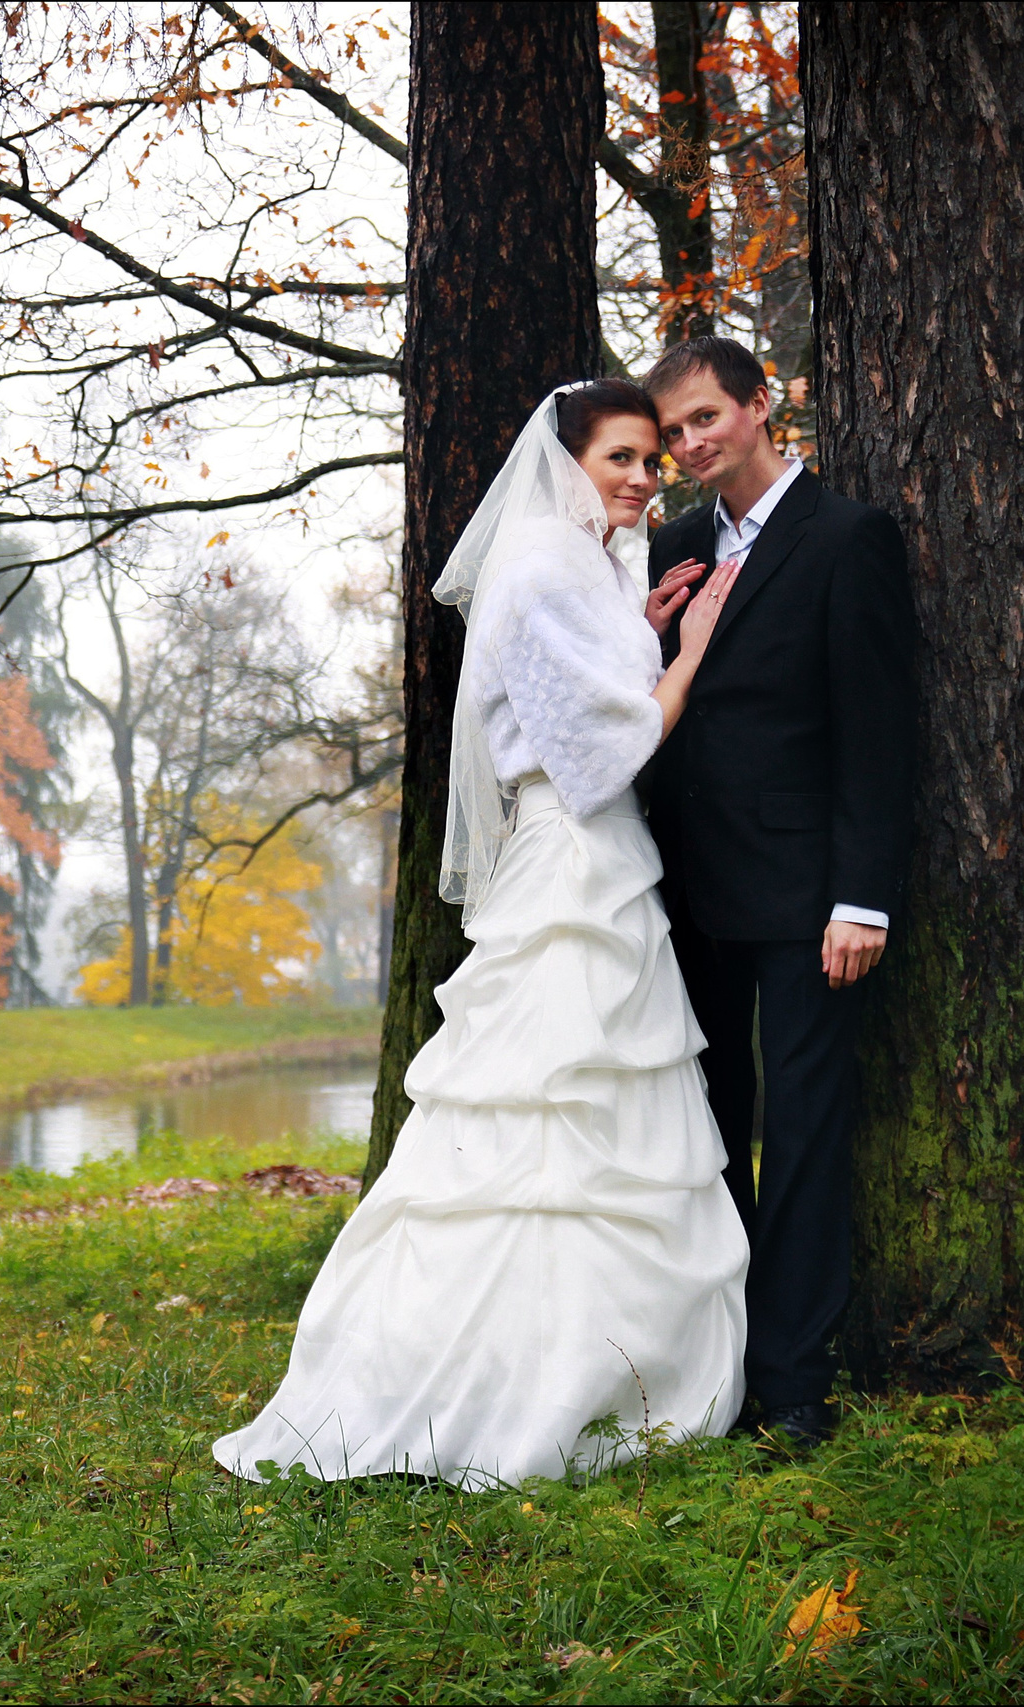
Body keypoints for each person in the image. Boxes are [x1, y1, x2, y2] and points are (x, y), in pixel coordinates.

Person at [214, 381, 750, 1489]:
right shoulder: (545, 566)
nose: (644, 480)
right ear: (567, 463)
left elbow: (578, 701)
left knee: (587, 1116)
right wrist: (691, 647)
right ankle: (518, 1382)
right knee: (549, 1120)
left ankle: (598, 1361)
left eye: (653, 460)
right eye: (622, 457)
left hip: (595, 864)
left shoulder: (587, 566)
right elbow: (602, 752)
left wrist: (641, 632)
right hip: (571, 869)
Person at [642, 338, 916, 1449]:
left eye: (706, 417)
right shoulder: (670, 546)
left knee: (801, 1136)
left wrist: (863, 897)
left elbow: (878, 732)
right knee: (706, 1131)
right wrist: (646, 630)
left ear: (761, 407)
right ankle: (718, 1365)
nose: (690, 444)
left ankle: (795, 1385)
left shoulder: (847, 537)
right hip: (682, 893)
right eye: (672, 433)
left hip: (810, 903)